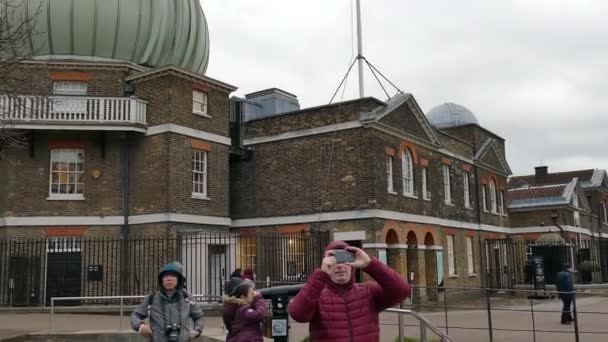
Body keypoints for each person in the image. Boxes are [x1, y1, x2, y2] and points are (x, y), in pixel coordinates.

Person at [289, 241, 410, 341]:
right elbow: (298, 314)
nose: (340, 266)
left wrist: (370, 264)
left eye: (344, 260)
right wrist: (320, 275)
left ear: (352, 264)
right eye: (334, 261)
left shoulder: (369, 292)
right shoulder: (317, 296)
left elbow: (402, 290)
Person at [131, 262, 204, 341]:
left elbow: (199, 316)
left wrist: (197, 330)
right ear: (161, 280)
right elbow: (135, 315)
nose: (169, 279)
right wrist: (141, 326)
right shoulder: (152, 299)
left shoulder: (187, 298)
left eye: (173, 276)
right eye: (166, 276)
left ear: (178, 279)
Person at [222, 277, 267, 342]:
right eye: (251, 293)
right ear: (242, 296)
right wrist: (258, 298)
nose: (253, 295)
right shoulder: (243, 310)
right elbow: (260, 314)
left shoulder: (232, 306)